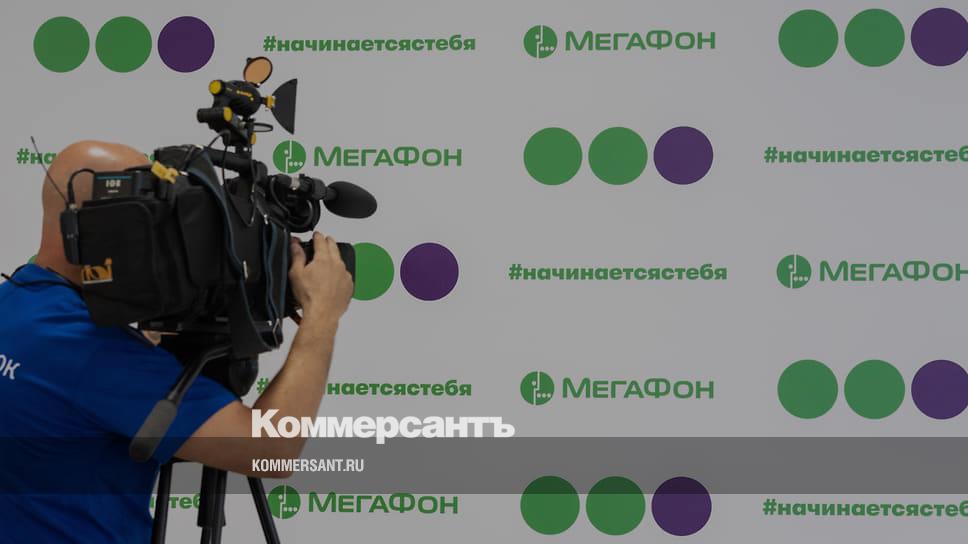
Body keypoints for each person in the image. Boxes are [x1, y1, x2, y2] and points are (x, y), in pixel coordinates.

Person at [0, 140, 353, 542]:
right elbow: (270, 449)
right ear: (90, 222)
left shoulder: (16, 302)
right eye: (147, 212)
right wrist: (322, 314)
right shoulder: (92, 350)